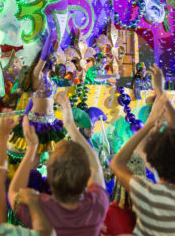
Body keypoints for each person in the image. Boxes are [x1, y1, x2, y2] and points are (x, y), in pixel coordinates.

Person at [111, 72, 175, 236]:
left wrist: (149, 124)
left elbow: (117, 163)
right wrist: (161, 92)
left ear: (153, 162)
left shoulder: (148, 194)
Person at [9, 93, 109, 235]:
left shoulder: (38, 207)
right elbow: (97, 168)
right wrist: (70, 126)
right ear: (86, 176)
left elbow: (13, 192)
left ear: (48, 176)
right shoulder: (96, 206)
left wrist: (31, 148)